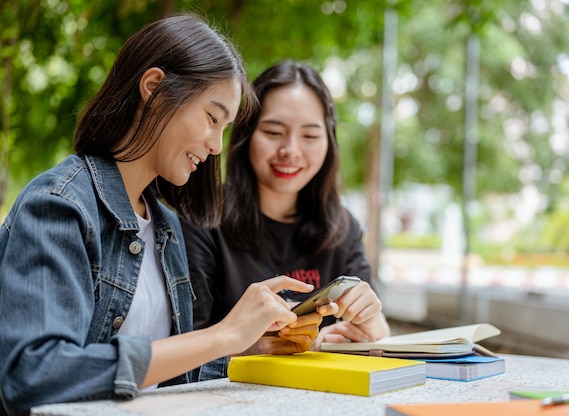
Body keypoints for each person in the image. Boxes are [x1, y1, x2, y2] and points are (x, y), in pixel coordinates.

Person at [0, 16, 332, 416]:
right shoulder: (60, 206)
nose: (215, 147)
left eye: (225, 129)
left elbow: (168, 380)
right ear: (154, 88)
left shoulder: (166, 227)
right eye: (212, 119)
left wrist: (247, 346)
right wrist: (221, 334)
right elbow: (35, 375)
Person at [182, 60, 391, 379]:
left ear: (329, 143)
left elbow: (378, 335)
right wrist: (266, 347)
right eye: (273, 132)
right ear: (246, 135)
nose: (290, 150)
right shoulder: (202, 219)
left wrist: (371, 330)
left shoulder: (342, 226)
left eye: (309, 135)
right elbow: (182, 349)